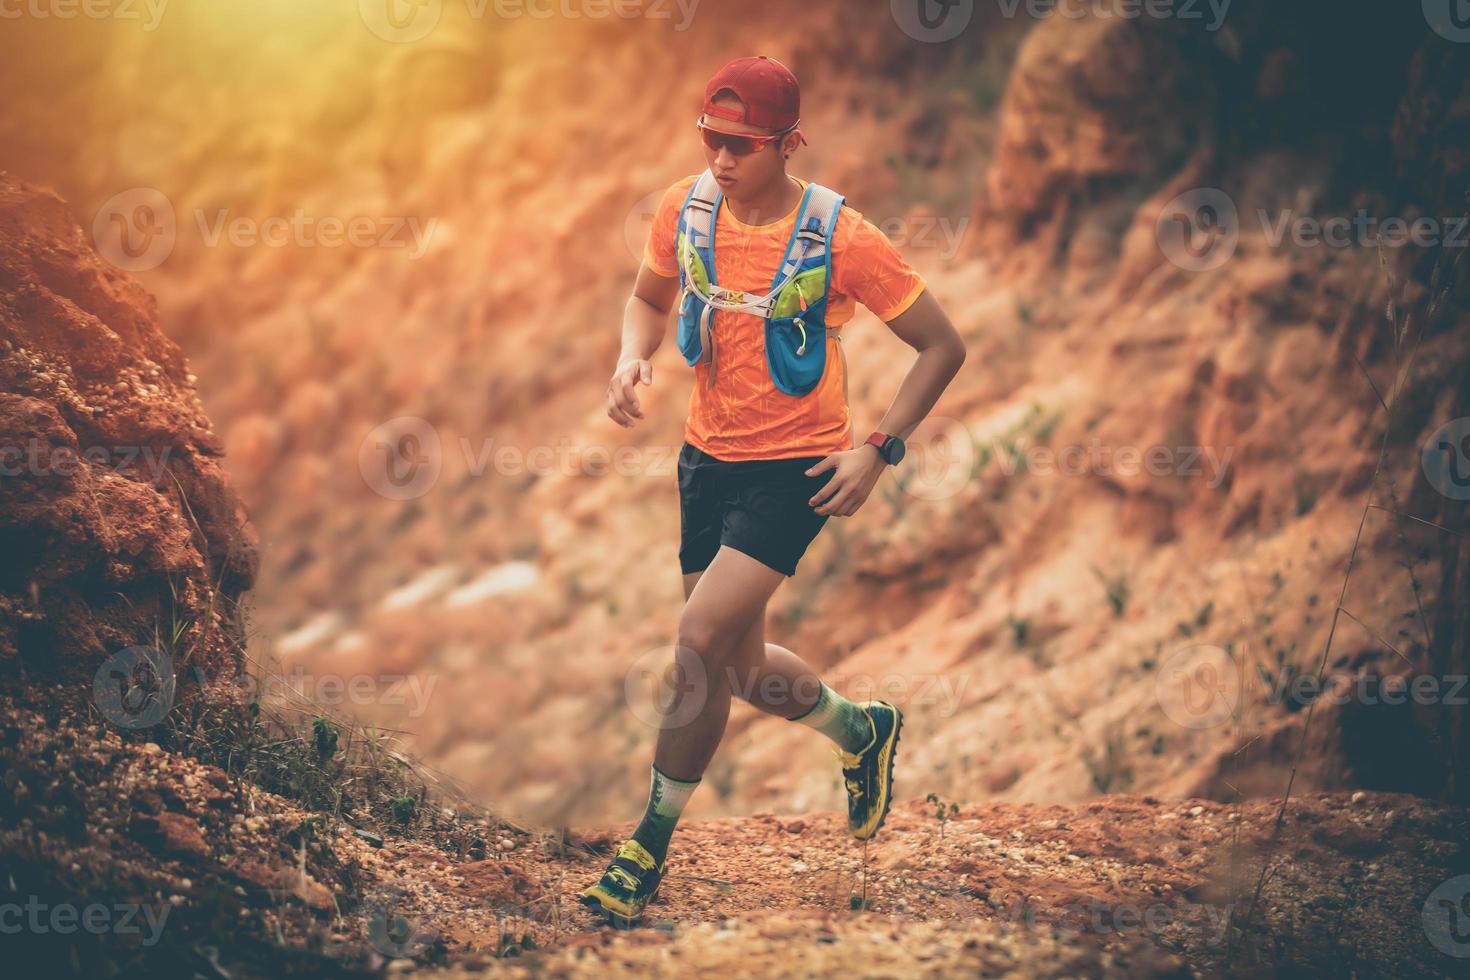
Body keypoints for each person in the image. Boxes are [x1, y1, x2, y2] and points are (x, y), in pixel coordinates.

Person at [581, 55, 967, 928]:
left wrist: (879, 449)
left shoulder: (842, 234)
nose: (722, 158)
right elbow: (645, 296)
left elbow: (943, 346)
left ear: (788, 142)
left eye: (742, 145)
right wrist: (629, 355)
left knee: (696, 638)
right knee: (743, 669)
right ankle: (862, 732)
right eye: (711, 139)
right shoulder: (687, 206)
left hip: (799, 470)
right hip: (704, 459)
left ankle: (646, 846)